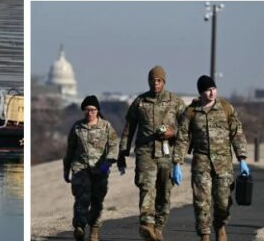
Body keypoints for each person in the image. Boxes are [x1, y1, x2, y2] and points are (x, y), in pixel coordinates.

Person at [172, 75, 248, 241]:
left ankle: (220, 225)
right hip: (201, 163)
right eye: (207, 90)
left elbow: (237, 134)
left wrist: (242, 158)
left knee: (223, 202)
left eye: (213, 89)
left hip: (223, 164)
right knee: (201, 202)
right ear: (201, 93)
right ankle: (204, 235)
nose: (211, 93)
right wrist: (177, 163)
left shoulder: (226, 108)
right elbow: (182, 138)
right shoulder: (191, 112)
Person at [118, 65, 186, 241]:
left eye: (158, 80)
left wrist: (174, 133)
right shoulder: (140, 102)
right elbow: (129, 129)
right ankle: (146, 224)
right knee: (146, 187)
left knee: (164, 192)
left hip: (167, 154)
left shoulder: (175, 102)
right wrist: (122, 152)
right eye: (152, 80)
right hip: (145, 152)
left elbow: (187, 129)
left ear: (164, 82)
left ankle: (158, 227)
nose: (155, 84)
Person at [63, 95, 118, 241]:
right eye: (87, 110)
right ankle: (79, 226)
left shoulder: (106, 126)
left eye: (93, 109)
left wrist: (108, 162)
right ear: (83, 111)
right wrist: (66, 168)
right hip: (80, 168)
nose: (90, 113)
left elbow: (113, 146)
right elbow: (70, 150)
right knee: (82, 198)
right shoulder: (77, 128)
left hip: (100, 169)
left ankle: (94, 229)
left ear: (97, 110)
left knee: (97, 201)